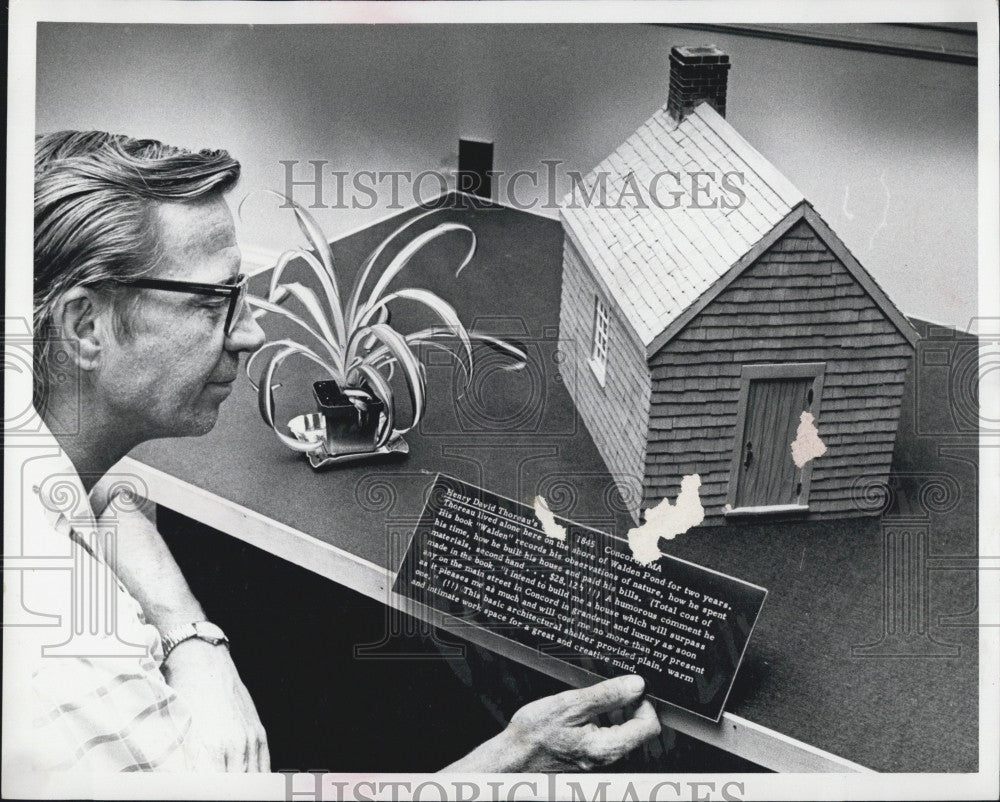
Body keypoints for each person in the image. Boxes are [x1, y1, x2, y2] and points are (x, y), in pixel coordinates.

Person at [5, 130, 661, 774]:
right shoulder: (86, 685)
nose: (250, 331)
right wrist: (518, 755)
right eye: (212, 303)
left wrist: (191, 639)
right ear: (84, 326)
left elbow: (107, 496)